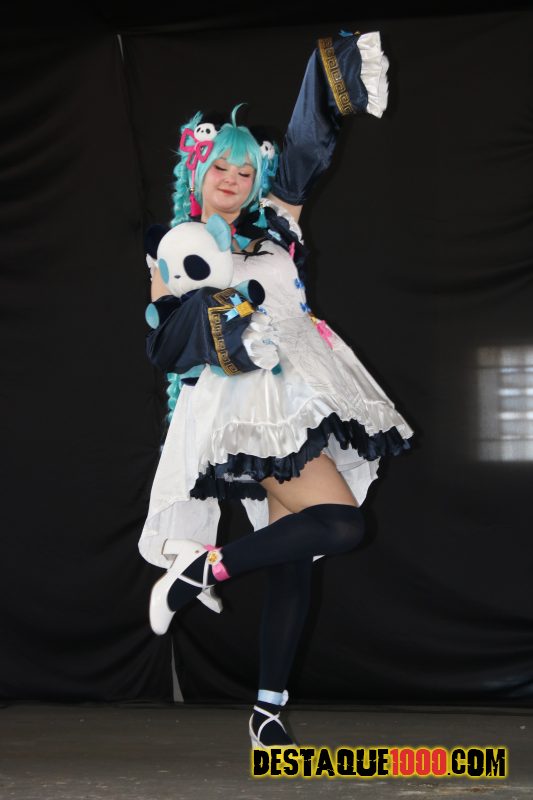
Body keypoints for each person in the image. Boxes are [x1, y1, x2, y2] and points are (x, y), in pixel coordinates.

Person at [139, 30, 414, 749]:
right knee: (341, 524)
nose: (232, 178)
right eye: (219, 167)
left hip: (305, 392)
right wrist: (223, 322)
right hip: (243, 404)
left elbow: (306, 140)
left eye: (244, 168)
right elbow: (166, 342)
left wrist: (334, 70)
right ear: (196, 171)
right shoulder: (178, 245)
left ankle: (266, 709)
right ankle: (202, 570)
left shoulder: (276, 222)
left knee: (294, 556)